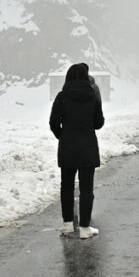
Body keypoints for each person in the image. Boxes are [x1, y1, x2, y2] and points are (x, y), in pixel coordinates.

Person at [50, 63, 105, 239]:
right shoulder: (92, 96)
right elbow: (98, 123)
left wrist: (63, 136)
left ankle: (67, 225)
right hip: (87, 146)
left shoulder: (61, 96)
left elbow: (53, 122)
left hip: (67, 147)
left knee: (66, 186)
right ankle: (84, 228)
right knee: (86, 189)